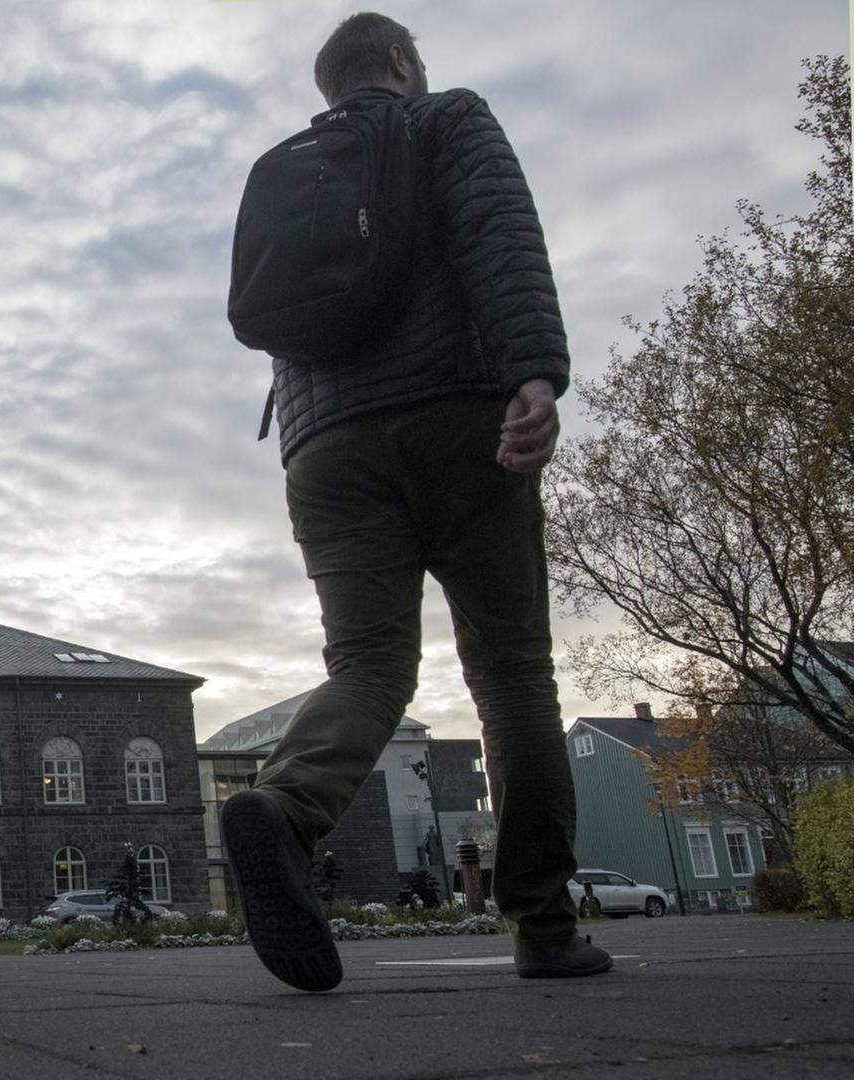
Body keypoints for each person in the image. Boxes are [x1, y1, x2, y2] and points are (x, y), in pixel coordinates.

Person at [220, 11, 611, 992]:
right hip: (458, 418)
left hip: (323, 444)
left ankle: (286, 805)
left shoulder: (289, 168)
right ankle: (544, 926)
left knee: (369, 662)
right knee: (513, 671)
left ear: (330, 86)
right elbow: (498, 236)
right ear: (400, 64)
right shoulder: (447, 122)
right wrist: (535, 374)